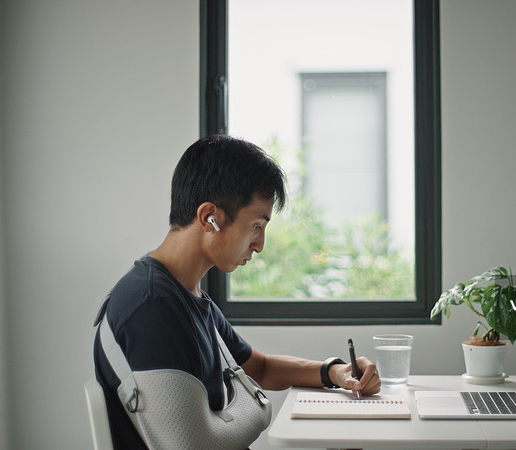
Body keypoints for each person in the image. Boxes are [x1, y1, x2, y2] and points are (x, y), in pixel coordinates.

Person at [93, 135, 380, 448]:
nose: (260, 245)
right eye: (256, 225)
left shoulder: (189, 296)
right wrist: (256, 410)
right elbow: (193, 446)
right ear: (209, 218)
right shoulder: (152, 308)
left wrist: (336, 372)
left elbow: (261, 368)